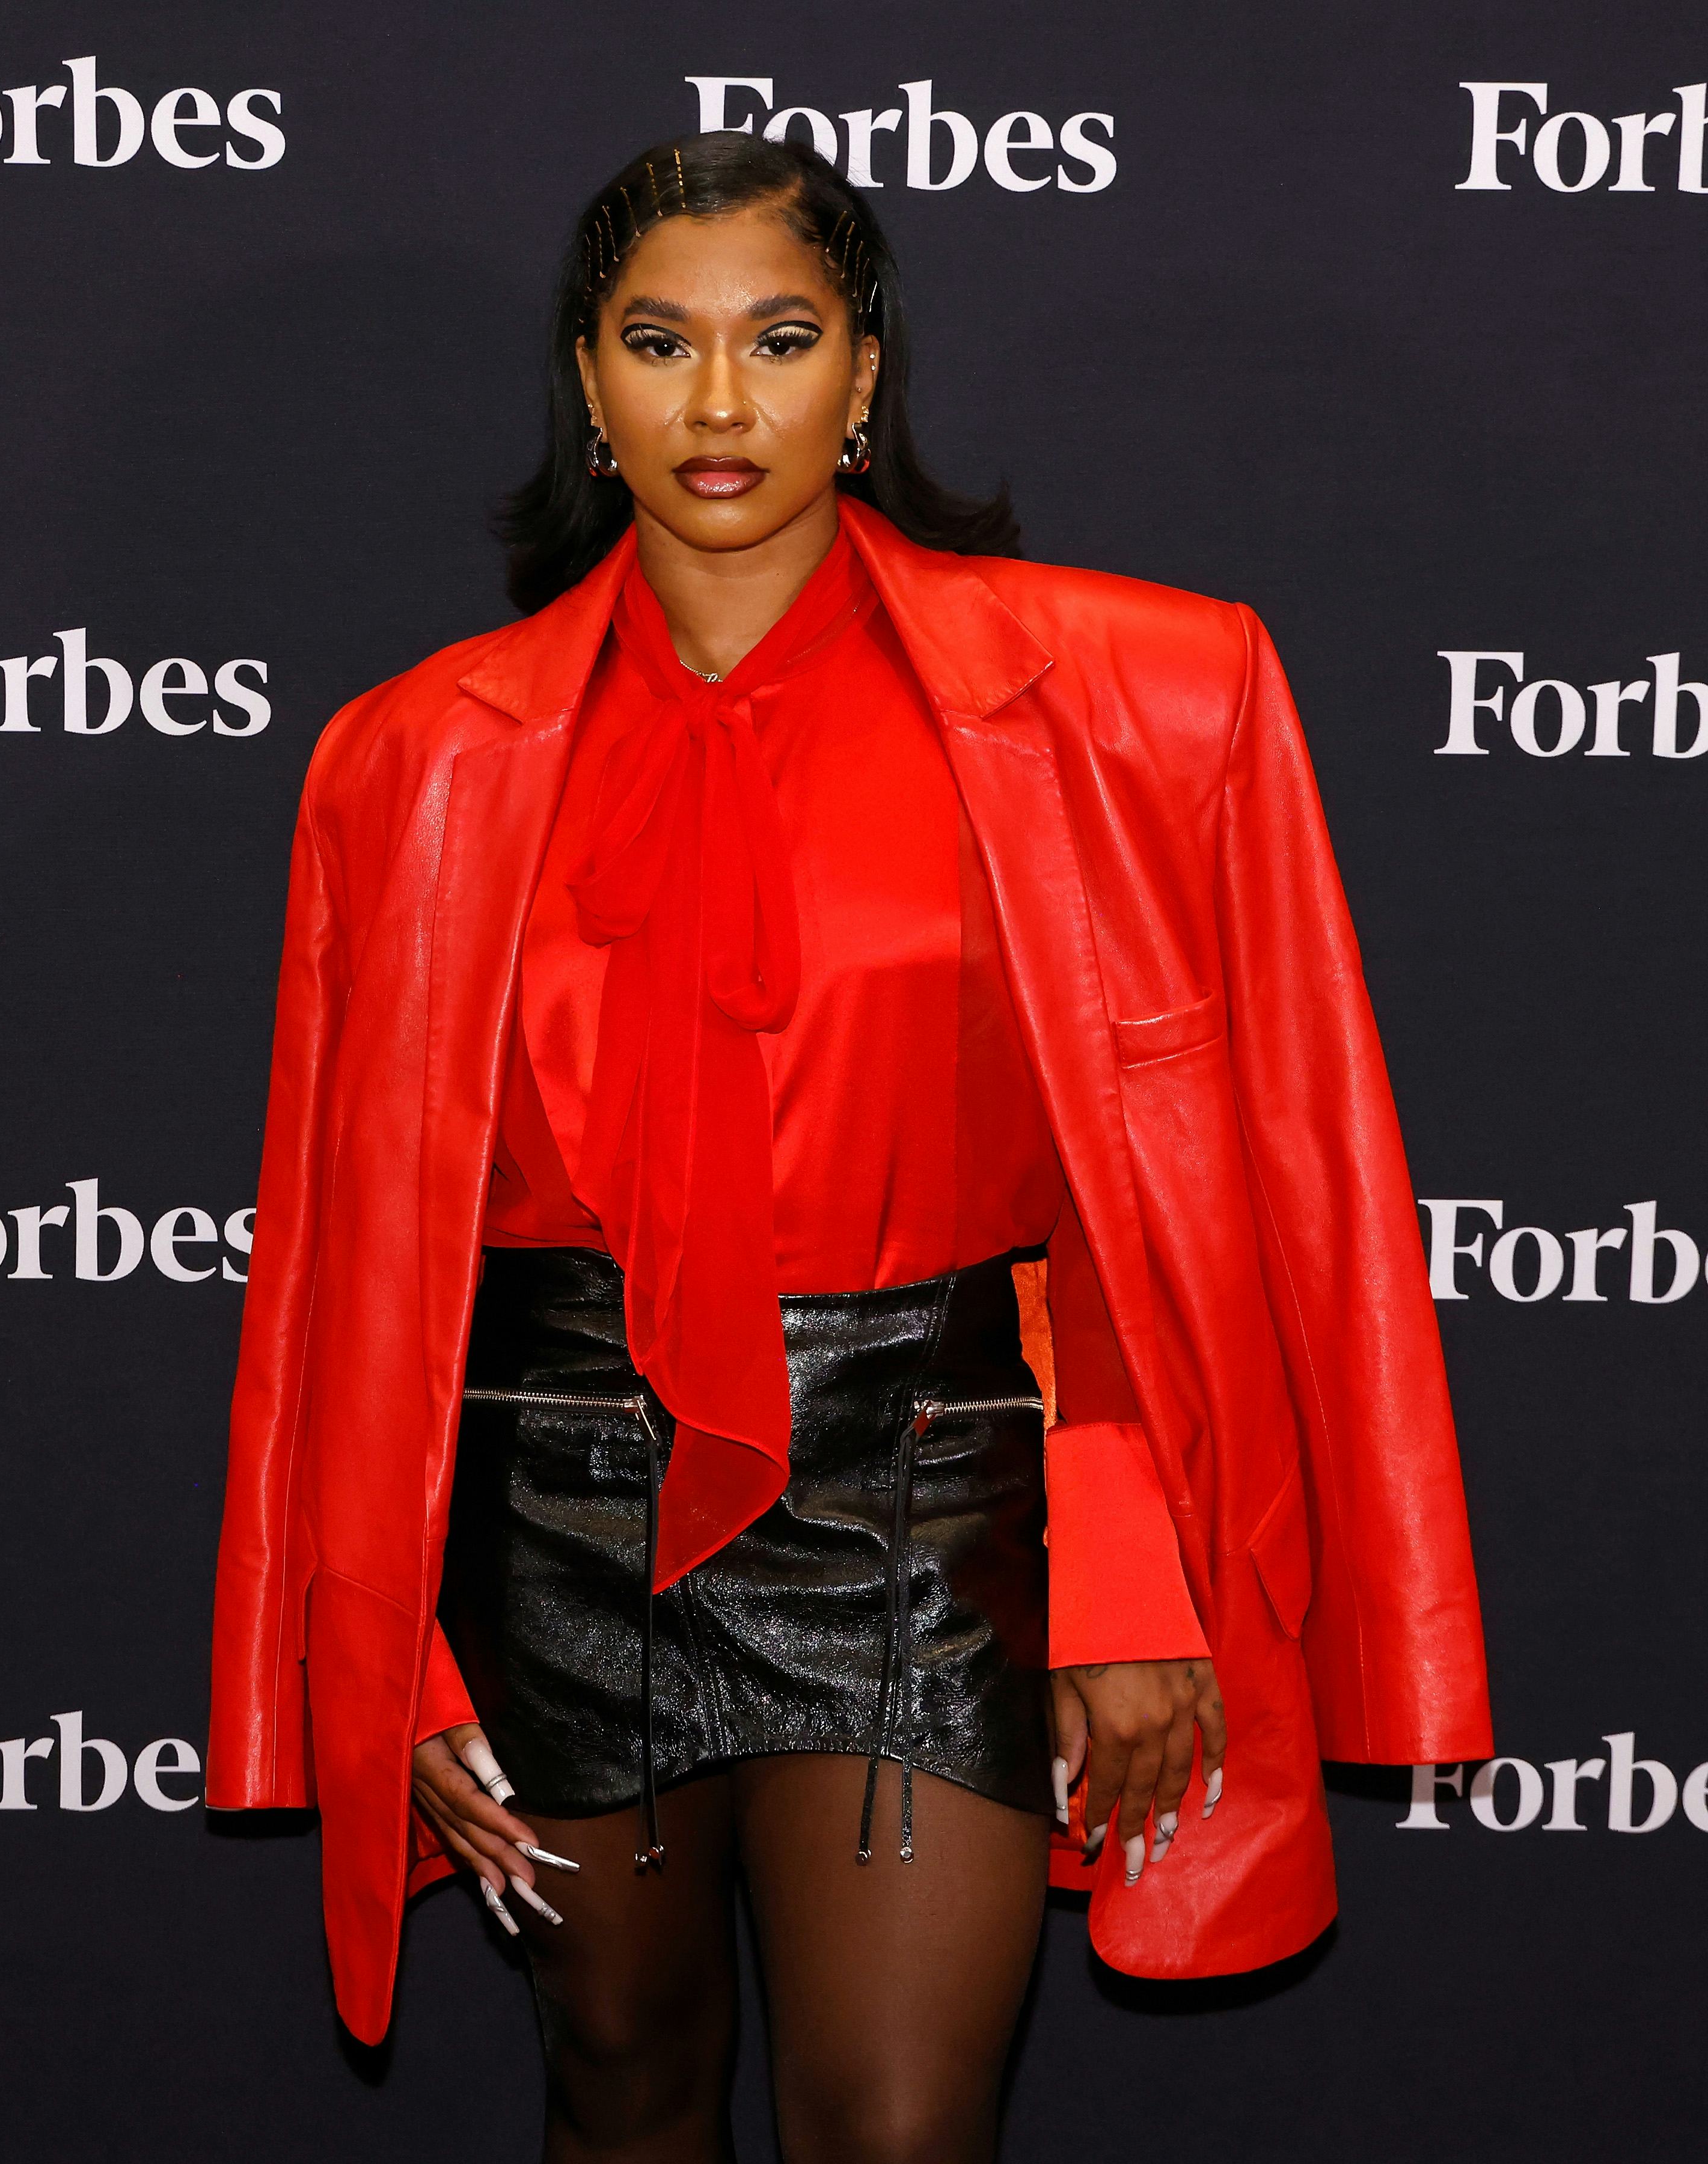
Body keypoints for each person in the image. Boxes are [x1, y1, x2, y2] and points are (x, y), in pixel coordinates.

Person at [207, 131, 1492, 2163]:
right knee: (620, 2092)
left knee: (898, 2126)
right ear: (589, 378)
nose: (721, 403)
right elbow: (352, 1274)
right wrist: (389, 1632)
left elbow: (1154, 1202)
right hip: (549, 1499)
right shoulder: (412, 759)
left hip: (926, 1496)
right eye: (661, 343)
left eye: (781, 339)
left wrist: (1137, 1575)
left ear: (869, 375)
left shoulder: (1132, 699)